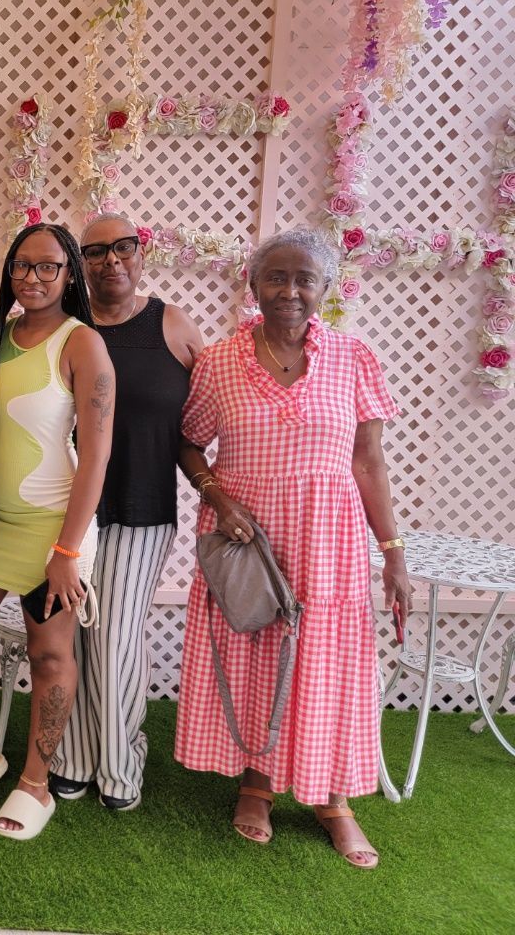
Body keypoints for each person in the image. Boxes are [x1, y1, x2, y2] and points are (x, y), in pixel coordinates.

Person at [176, 228, 410, 869]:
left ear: (324, 290)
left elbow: (369, 462)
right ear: (253, 286)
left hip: (329, 539)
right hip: (248, 537)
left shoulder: (354, 358)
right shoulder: (220, 361)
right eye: (276, 278)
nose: (290, 291)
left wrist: (392, 551)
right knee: (255, 652)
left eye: (304, 279)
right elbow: (189, 442)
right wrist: (219, 500)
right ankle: (257, 783)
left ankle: (334, 801)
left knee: (327, 662)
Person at [0, 223, 114, 840]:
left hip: (54, 532)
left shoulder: (82, 343)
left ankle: (36, 781)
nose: (32, 278)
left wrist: (68, 549)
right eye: (21, 267)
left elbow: (96, 454)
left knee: (49, 655)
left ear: (70, 275)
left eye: (48, 267)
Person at [43, 215, 203, 810]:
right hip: (66, 513)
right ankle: (75, 760)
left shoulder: (171, 324)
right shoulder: (64, 329)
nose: (112, 261)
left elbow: (212, 409)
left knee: (113, 639)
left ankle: (118, 766)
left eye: (124, 248)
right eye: (96, 252)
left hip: (140, 510)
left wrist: (215, 486)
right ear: (80, 263)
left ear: (141, 253)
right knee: (72, 638)